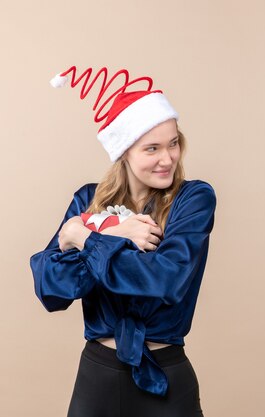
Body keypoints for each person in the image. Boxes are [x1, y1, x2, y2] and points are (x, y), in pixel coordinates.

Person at [31, 66, 216, 417]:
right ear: (124, 153)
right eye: (152, 148)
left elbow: (166, 279)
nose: (168, 158)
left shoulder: (193, 199)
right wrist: (115, 233)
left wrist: (83, 237)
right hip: (97, 378)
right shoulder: (87, 199)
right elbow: (52, 288)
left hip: (165, 376)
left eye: (173, 143)